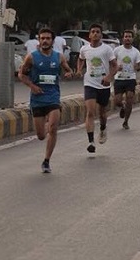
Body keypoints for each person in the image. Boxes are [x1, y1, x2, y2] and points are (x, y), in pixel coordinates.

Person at [18, 28, 74, 173]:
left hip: (53, 97)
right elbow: (21, 75)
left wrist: (69, 73)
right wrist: (32, 86)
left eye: (48, 38)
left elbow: (68, 70)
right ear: (39, 40)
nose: (45, 41)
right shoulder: (31, 57)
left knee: (54, 127)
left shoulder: (59, 57)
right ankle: (45, 129)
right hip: (37, 99)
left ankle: (47, 161)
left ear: (52, 41)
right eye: (42, 38)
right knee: (41, 135)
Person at [76, 24, 116, 155]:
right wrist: (79, 70)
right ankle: (91, 142)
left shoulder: (107, 49)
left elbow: (114, 66)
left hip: (103, 85)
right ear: (89, 35)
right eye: (92, 32)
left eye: (98, 32)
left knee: (102, 113)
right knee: (90, 112)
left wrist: (109, 77)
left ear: (101, 35)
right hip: (90, 83)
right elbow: (80, 59)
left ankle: (103, 128)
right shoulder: (84, 49)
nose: (95, 34)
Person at [113, 30, 140, 130]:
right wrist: (117, 67)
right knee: (117, 100)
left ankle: (126, 122)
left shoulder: (136, 52)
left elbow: (139, 66)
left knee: (130, 98)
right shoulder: (117, 50)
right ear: (123, 38)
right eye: (126, 36)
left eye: (129, 36)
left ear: (132, 39)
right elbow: (112, 63)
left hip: (130, 78)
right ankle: (122, 106)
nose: (127, 38)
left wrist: (136, 67)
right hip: (119, 78)